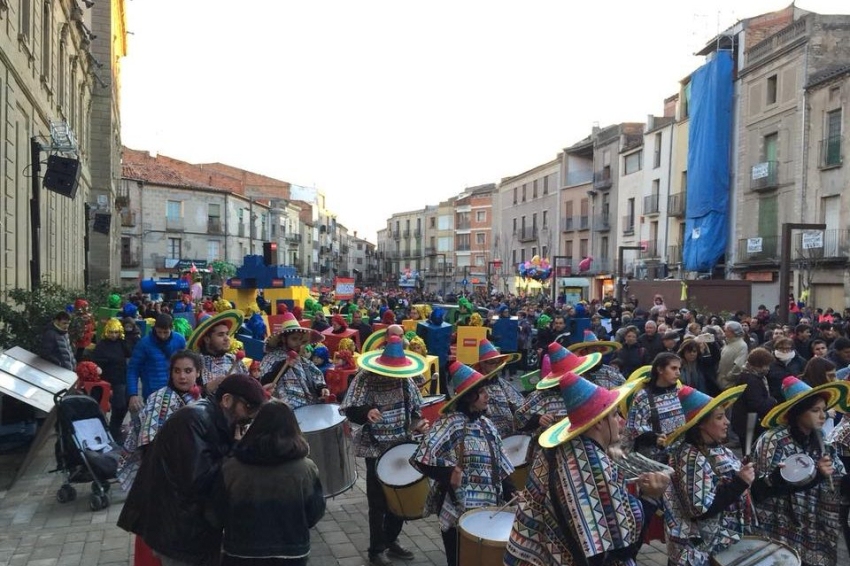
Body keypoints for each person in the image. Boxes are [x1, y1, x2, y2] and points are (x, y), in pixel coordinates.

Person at [504, 371, 670, 566]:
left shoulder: (563, 449)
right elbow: (621, 547)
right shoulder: (591, 466)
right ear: (599, 422)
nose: (621, 421)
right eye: (615, 414)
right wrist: (650, 497)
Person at [118, 373, 266, 566]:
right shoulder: (193, 420)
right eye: (248, 407)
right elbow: (199, 480)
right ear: (227, 400)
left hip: (193, 528)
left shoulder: (220, 418)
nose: (251, 415)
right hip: (178, 531)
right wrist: (236, 451)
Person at [412, 361, 516, 566]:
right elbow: (421, 457)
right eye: (482, 392)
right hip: (457, 508)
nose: (487, 396)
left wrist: (511, 490)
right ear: (469, 396)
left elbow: (501, 464)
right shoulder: (449, 423)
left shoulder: (487, 424)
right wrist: (449, 472)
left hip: (488, 508)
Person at [339, 335, 430, 566]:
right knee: (378, 502)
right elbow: (350, 408)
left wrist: (418, 424)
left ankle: (391, 539)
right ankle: (376, 549)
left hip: (400, 446)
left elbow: (416, 410)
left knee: (399, 497)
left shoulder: (405, 379)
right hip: (375, 448)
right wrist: (366, 412)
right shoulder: (365, 378)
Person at [751, 376, 850, 566]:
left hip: (813, 527)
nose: (823, 416)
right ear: (798, 412)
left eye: (823, 410)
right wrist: (816, 475)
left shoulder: (821, 440)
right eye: (815, 410)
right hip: (780, 527)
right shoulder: (773, 440)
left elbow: (837, 478)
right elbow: (762, 489)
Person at [218, 401, 326, 566]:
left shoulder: (231, 468)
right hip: (291, 551)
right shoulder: (306, 469)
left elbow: (216, 512)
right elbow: (314, 512)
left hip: (241, 551)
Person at [663, 385, 754, 565]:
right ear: (701, 424)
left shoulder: (718, 448)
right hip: (697, 553)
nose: (727, 422)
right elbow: (700, 509)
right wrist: (739, 482)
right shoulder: (689, 457)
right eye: (719, 417)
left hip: (720, 546)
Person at [117, 350, 204, 490]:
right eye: (177, 371)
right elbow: (150, 442)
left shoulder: (198, 397)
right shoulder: (160, 399)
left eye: (188, 371)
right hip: (162, 469)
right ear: (171, 373)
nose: (182, 376)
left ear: (198, 372)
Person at [624, 352, 685, 463]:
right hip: (654, 462)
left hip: (680, 458)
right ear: (660, 369)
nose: (678, 373)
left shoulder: (681, 393)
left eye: (679, 369)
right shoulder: (643, 397)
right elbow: (632, 429)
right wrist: (654, 438)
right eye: (673, 368)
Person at [260, 313, 329, 409]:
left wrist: (322, 388)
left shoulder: (303, 360)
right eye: (294, 339)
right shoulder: (270, 358)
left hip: (308, 408)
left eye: (300, 339)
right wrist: (284, 365)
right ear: (284, 339)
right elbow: (264, 381)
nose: (298, 343)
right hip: (283, 410)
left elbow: (316, 375)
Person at [127, 314, 187, 413]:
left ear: (171, 329)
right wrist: (133, 394)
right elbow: (133, 369)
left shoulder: (179, 340)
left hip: (176, 391)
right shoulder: (144, 344)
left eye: (166, 332)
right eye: (159, 332)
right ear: (155, 329)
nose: (162, 336)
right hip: (152, 393)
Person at [89, 318, 132, 443]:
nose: (113, 335)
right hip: (104, 380)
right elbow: (95, 361)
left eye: (116, 332)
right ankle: (101, 430)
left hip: (119, 379)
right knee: (99, 406)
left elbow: (130, 352)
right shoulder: (101, 345)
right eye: (111, 332)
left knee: (121, 406)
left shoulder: (122, 343)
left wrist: (130, 334)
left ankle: (114, 430)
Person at [471, 338, 525, 437]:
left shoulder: (502, 383)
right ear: (482, 363)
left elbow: (521, 405)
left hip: (509, 436)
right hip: (486, 436)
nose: (496, 366)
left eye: (498, 362)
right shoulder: (474, 386)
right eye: (492, 362)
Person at [730, 347, 778, 454]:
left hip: (744, 423)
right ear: (758, 365)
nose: (768, 368)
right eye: (766, 365)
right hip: (750, 424)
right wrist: (772, 401)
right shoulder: (752, 381)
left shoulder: (746, 375)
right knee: (750, 453)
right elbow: (756, 404)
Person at [187, 309, 246, 394]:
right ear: (207, 339)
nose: (227, 338)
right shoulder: (195, 364)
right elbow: (188, 393)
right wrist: (207, 388)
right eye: (220, 335)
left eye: (227, 334)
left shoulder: (234, 359)